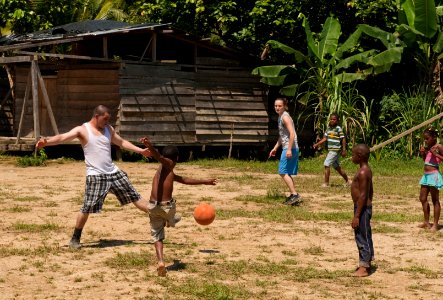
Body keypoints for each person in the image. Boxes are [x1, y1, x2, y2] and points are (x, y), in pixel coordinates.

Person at [35, 105, 151, 249]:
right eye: (105, 119)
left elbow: (121, 142)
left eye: (109, 120)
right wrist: (46, 142)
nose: (107, 122)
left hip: (113, 173)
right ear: (97, 116)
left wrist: (141, 151)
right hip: (96, 176)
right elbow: (62, 137)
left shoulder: (108, 129)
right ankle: (75, 239)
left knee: (135, 197)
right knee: (87, 207)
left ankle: (163, 216)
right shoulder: (82, 130)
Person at [139, 137, 217, 277]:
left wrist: (204, 181)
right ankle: (171, 220)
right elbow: (159, 156)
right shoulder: (168, 163)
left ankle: (161, 262)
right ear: (177, 158)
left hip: (152, 207)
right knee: (173, 216)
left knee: (157, 236)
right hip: (167, 208)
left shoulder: (168, 171)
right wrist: (149, 146)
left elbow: (184, 180)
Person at [269, 97, 301, 206]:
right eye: (275, 106)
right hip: (289, 147)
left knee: (282, 171)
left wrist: (288, 149)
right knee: (285, 172)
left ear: (284, 106)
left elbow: (292, 133)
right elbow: (282, 136)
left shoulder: (285, 117)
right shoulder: (281, 117)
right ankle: (293, 195)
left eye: (279, 106)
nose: (277, 108)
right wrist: (275, 148)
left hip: (290, 147)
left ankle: (295, 194)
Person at [350, 144, 374, 277]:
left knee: (362, 235)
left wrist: (357, 216)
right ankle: (367, 261)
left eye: (353, 154)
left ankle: (364, 266)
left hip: (362, 208)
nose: (351, 157)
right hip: (362, 207)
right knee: (364, 234)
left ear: (359, 157)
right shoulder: (365, 170)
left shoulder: (364, 172)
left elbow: (364, 195)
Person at [313, 112, 351, 187]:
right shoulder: (329, 128)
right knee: (337, 167)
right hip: (331, 150)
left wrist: (344, 149)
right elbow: (325, 138)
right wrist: (317, 144)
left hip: (335, 150)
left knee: (326, 164)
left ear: (337, 120)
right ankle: (348, 181)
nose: (332, 120)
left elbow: (343, 138)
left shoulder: (338, 128)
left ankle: (326, 183)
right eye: (331, 119)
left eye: (334, 119)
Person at [418, 127, 443, 231]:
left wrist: (435, 154)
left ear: (434, 137)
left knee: (435, 199)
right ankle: (426, 222)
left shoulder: (439, 147)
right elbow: (426, 160)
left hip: (434, 175)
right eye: (424, 139)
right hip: (426, 175)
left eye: (427, 138)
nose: (425, 141)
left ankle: (435, 224)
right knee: (422, 198)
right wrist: (423, 153)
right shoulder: (428, 147)